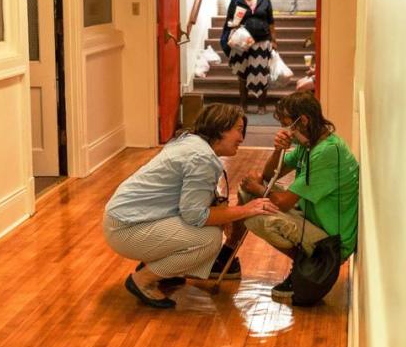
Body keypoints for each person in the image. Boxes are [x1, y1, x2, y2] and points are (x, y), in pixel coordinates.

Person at [103, 103, 280, 309]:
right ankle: (143, 280)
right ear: (220, 127)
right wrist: (247, 209)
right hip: (127, 229)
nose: (242, 138)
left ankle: (166, 269)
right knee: (209, 239)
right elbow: (195, 216)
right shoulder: (202, 157)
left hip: (125, 220)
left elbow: (194, 198)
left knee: (209, 228)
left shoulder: (191, 143)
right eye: (239, 131)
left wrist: (223, 210)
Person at [229, 91, 359, 299]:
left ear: (304, 120)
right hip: (311, 219)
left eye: (287, 124)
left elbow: (284, 201)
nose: (285, 130)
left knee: (255, 217)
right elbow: (269, 175)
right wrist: (278, 150)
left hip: (331, 242)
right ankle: (229, 249)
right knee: (248, 193)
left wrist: (257, 189)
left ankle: (306, 264)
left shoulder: (327, 152)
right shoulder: (309, 144)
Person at [219, 0, 278, 114]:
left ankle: (261, 105)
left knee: (262, 74)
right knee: (242, 74)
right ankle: (243, 105)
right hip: (243, 42)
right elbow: (230, 20)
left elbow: (270, 21)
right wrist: (235, 25)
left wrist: (274, 40)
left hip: (262, 41)